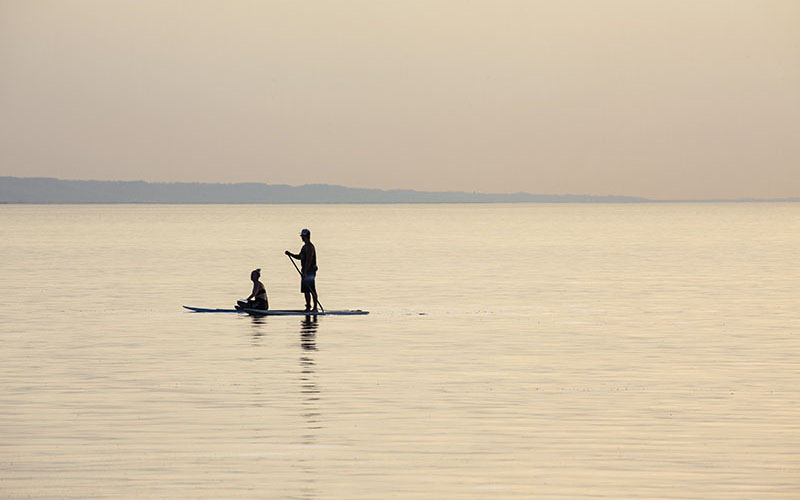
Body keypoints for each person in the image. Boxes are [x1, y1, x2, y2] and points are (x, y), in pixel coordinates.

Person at [285, 228, 318, 312]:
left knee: (311, 289)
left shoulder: (310, 247)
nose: (301, 238)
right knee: (306, 290)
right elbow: (300, 257)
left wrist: (306, 272)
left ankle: (315, 308)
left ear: (306, 236)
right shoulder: (304, 247)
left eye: (302, 236)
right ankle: (308, 307)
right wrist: (290, 254)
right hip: (305, 271)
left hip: (310, 272)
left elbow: (309, 260)